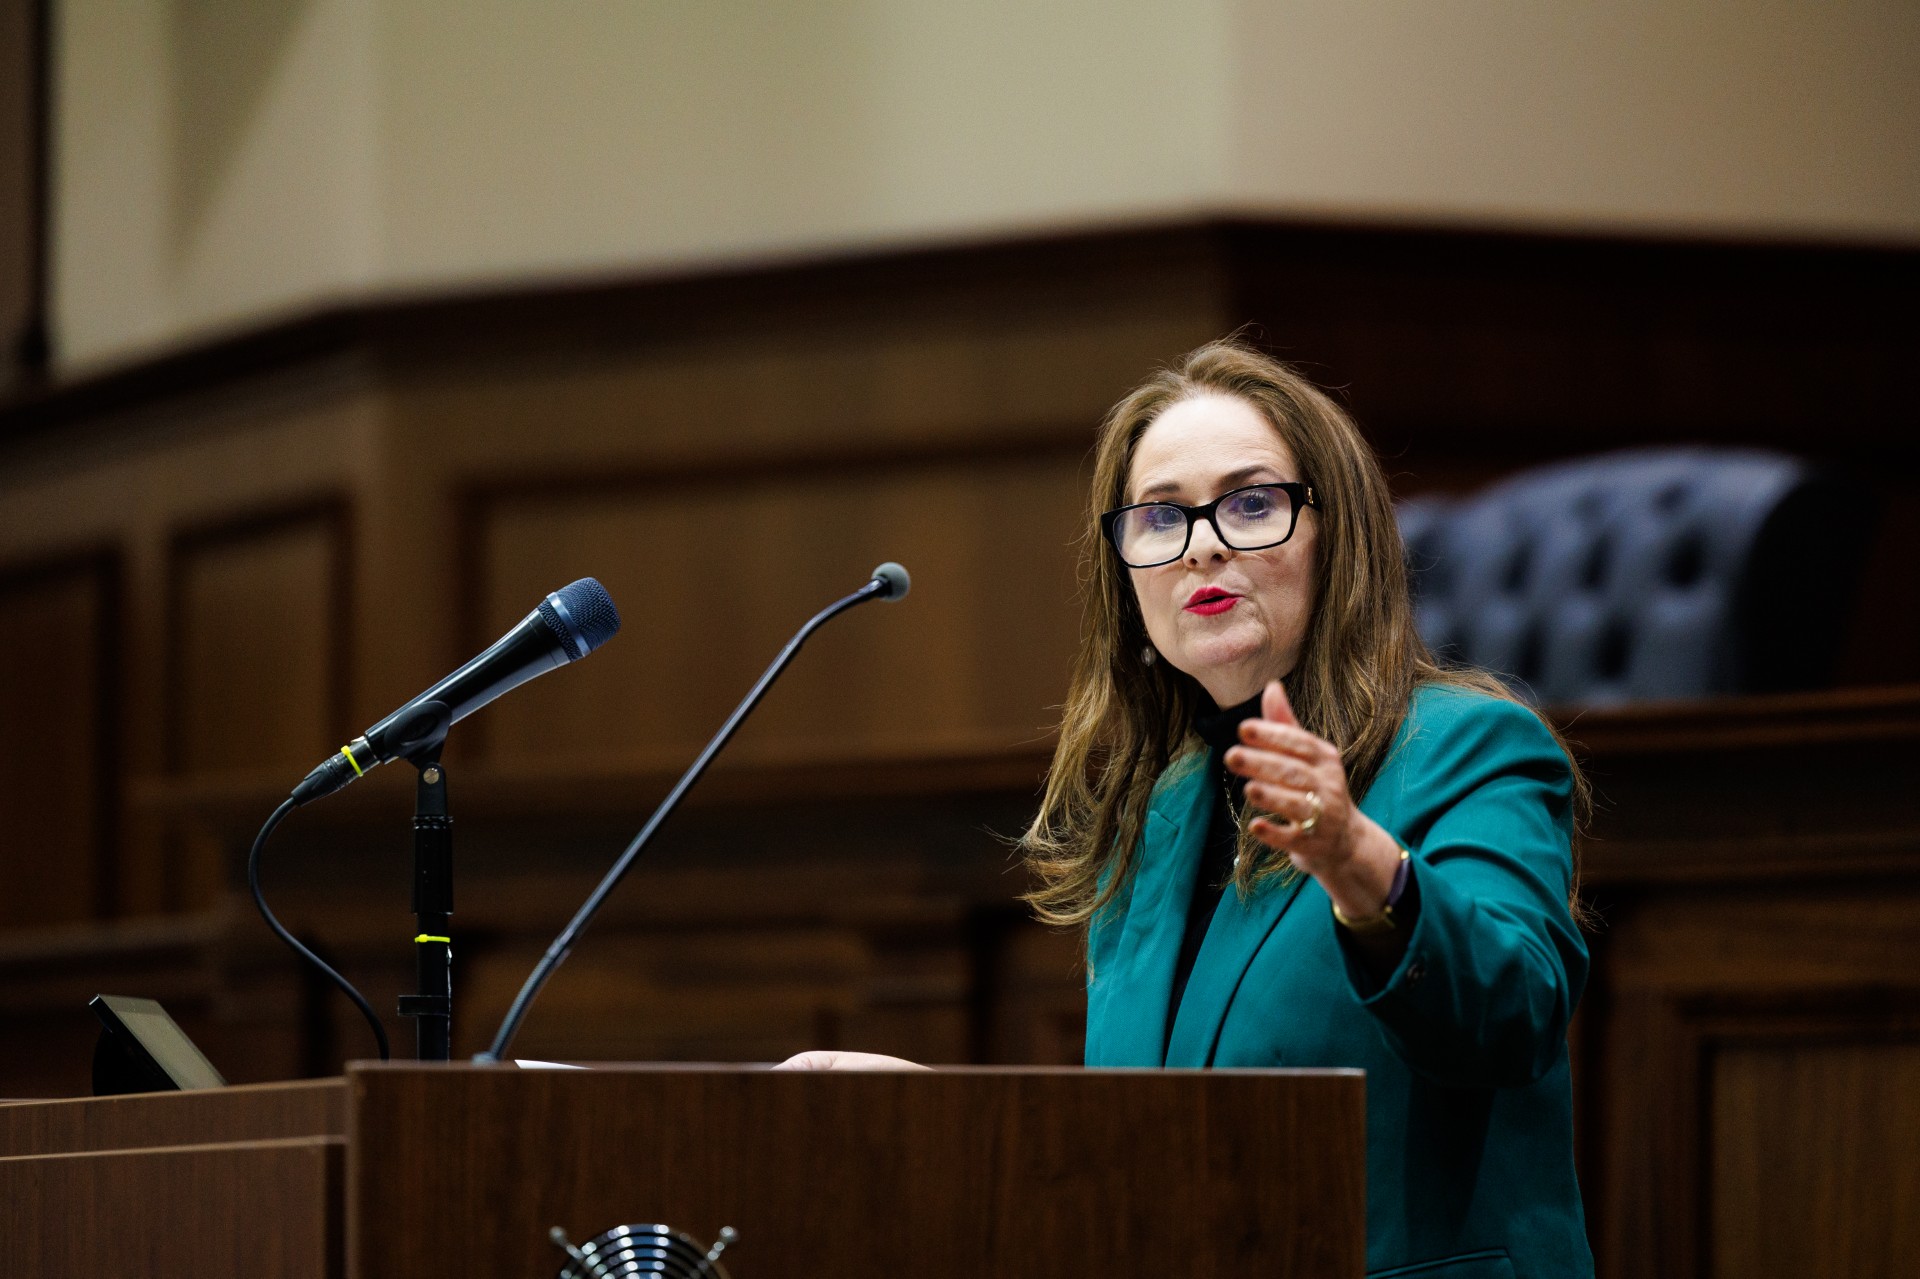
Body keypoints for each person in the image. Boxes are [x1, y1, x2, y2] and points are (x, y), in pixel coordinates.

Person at [779, 338, 1593, 1279]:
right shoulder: (1156, 813)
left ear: (1341, 538)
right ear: (1127, 579)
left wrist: (1366, 869)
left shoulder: (1469, 747)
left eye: (1251, 503)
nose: (1202, 541)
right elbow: (1156, 1148)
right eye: (1161, 516)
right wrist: (956, 1118)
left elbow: (1514, 1016)